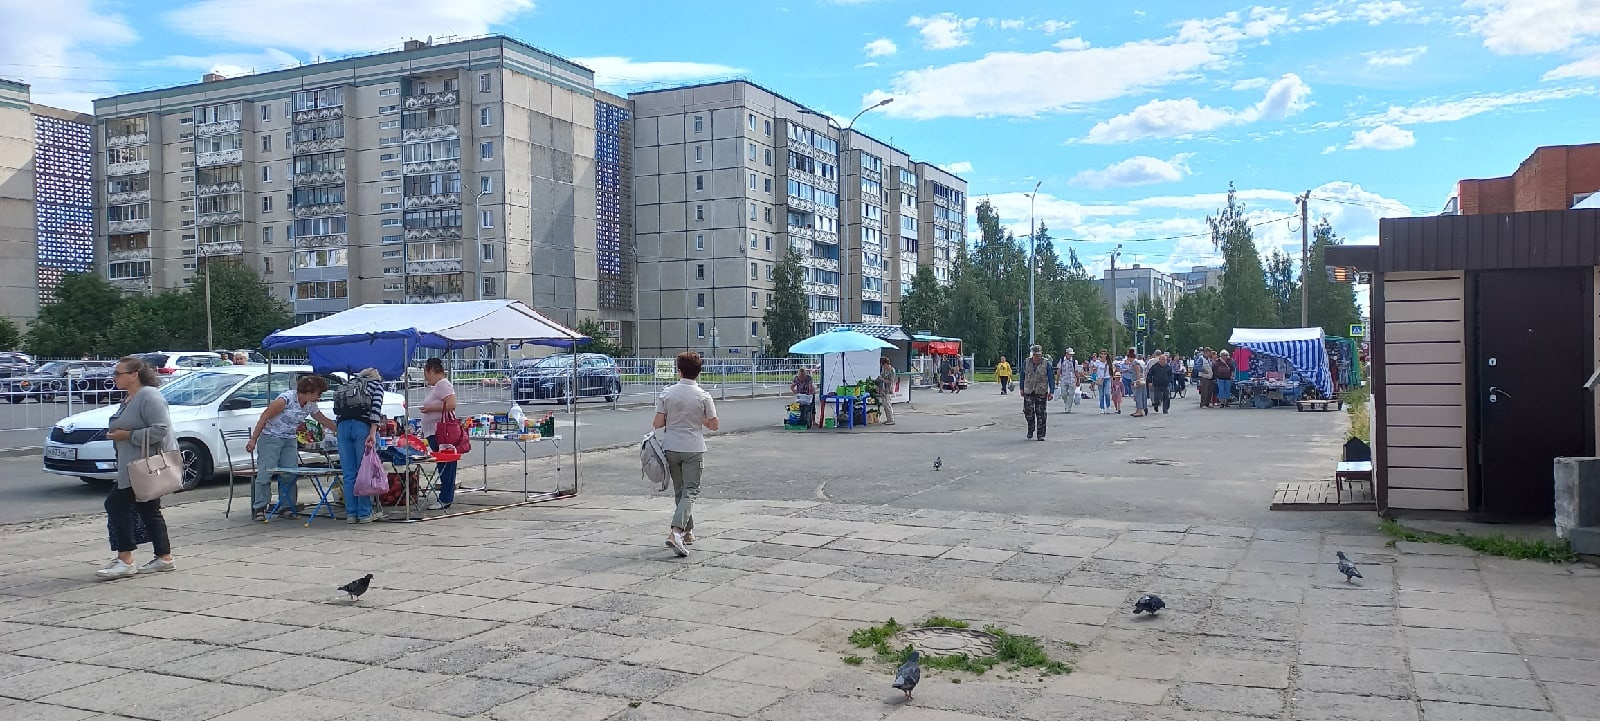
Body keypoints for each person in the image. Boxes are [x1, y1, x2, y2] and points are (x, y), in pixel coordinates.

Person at [98, 356, 177, 579]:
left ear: (134, 375)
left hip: (142, 466)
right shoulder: (130, 397)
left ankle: (126, 559)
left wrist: (128, 435)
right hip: (132, 464)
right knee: (148, 509)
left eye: (118, 374)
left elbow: (161, 429)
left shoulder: (149, 395)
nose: (114, 378)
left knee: (115, 505)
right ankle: (164, 557)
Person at [245, 375, 335, 521]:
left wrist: (338, 430)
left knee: (290, 472)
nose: (320, 397)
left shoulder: (310, 405)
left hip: (290, 439)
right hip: (271, 438)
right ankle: (260, 507)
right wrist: (254, 439)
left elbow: (322, 419)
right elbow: (264, 417)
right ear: (309, 392)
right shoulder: (285, 400)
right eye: (319, 394)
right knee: (266, 471)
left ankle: (287, 506)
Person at [654, 352, 718, 557]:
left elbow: (657, 423)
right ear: (698, 372)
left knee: (680, 491)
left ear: (678, 370)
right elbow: (714, 425)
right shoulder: (703, 396)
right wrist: (699, 419)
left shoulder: (667, 393)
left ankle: (688, 532)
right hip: (693, 447)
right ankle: (676, 532)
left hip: (671, 446)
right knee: (691, 491)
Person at [335, 368, 386, 523]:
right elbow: (375, 410)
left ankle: (351, 514)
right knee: (363, 471)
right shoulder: (376, 385)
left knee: (349, 473)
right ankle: (364, 513)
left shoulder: (350, 384)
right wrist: (372, 432)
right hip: (361, 427)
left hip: (342, 427)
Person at [419, 358, 460, 511]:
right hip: (434, 432)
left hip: (441, 433)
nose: (425, 377)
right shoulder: (438, 385)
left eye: (426, 373)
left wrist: (430, 409)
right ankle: (445, 496)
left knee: (446, 465)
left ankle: (445, 498)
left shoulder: (442, 384)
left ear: (431, 370)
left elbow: (451, 404)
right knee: (443, 464)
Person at [1017, 345, 1055, 441]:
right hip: (1028, 390)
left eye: (1038, 355)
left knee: (1041, 413)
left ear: (1041, 354)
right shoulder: (1026, 362)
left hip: (1041, 391)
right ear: (1032, 355)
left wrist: (1052, 392)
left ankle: (1040, 434)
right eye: (1035, 355)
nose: (1036, 357)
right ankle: (1031, 428)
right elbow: (1022, 375)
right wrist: (1021, 388)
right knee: (1028, 411)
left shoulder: (1046, 363)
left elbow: (1051, 377)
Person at [1058, 348, 1080, 413]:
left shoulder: (1074, 362)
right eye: (1069, 354)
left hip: (1072, 380)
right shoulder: (1062, 360)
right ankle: (1066, 403)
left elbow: (1076, 372)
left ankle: (1068, 408)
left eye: (1071, 355)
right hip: (1063, 379)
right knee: (1063, 394)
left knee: (1071, 394)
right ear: (1066, 354)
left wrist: (1078, 380)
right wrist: (1057, 380)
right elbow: (1059, 370)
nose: (1070, 356)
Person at [876, 357, 897, 425]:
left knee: (887, 404)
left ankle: (891, 420)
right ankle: (888, 419)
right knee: (884, 404)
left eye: (883, 365)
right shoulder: (884, 370)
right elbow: (882, 376)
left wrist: (882, 379)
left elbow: (891, 381)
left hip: (888, 389)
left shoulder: (892, 370)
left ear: (886, 364)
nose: (882, 366)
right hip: (883, 389)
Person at [1128, 349, 1149, 417]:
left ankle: (1140, 410)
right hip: (1139, 380)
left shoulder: (1135, 363)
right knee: (1139, 395)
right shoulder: (1138, 362)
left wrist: (1138, 380)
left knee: (1138, 396)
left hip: (1137, 381)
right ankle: (1138, 409)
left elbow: (1137, 371)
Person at [1093, 350, 1112, 414]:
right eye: (1102, 354)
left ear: (1107, 355)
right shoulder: (1097, 362)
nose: (1103, 355)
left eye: (1105, 354)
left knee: (1107, 393)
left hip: (1107, 379)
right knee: (1101, 394)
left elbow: (1111, 371)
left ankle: (1108, 407)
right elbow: (1094, 371)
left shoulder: (1109, 362)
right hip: (1100, 379)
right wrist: (1093, 380)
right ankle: (1102, 408)